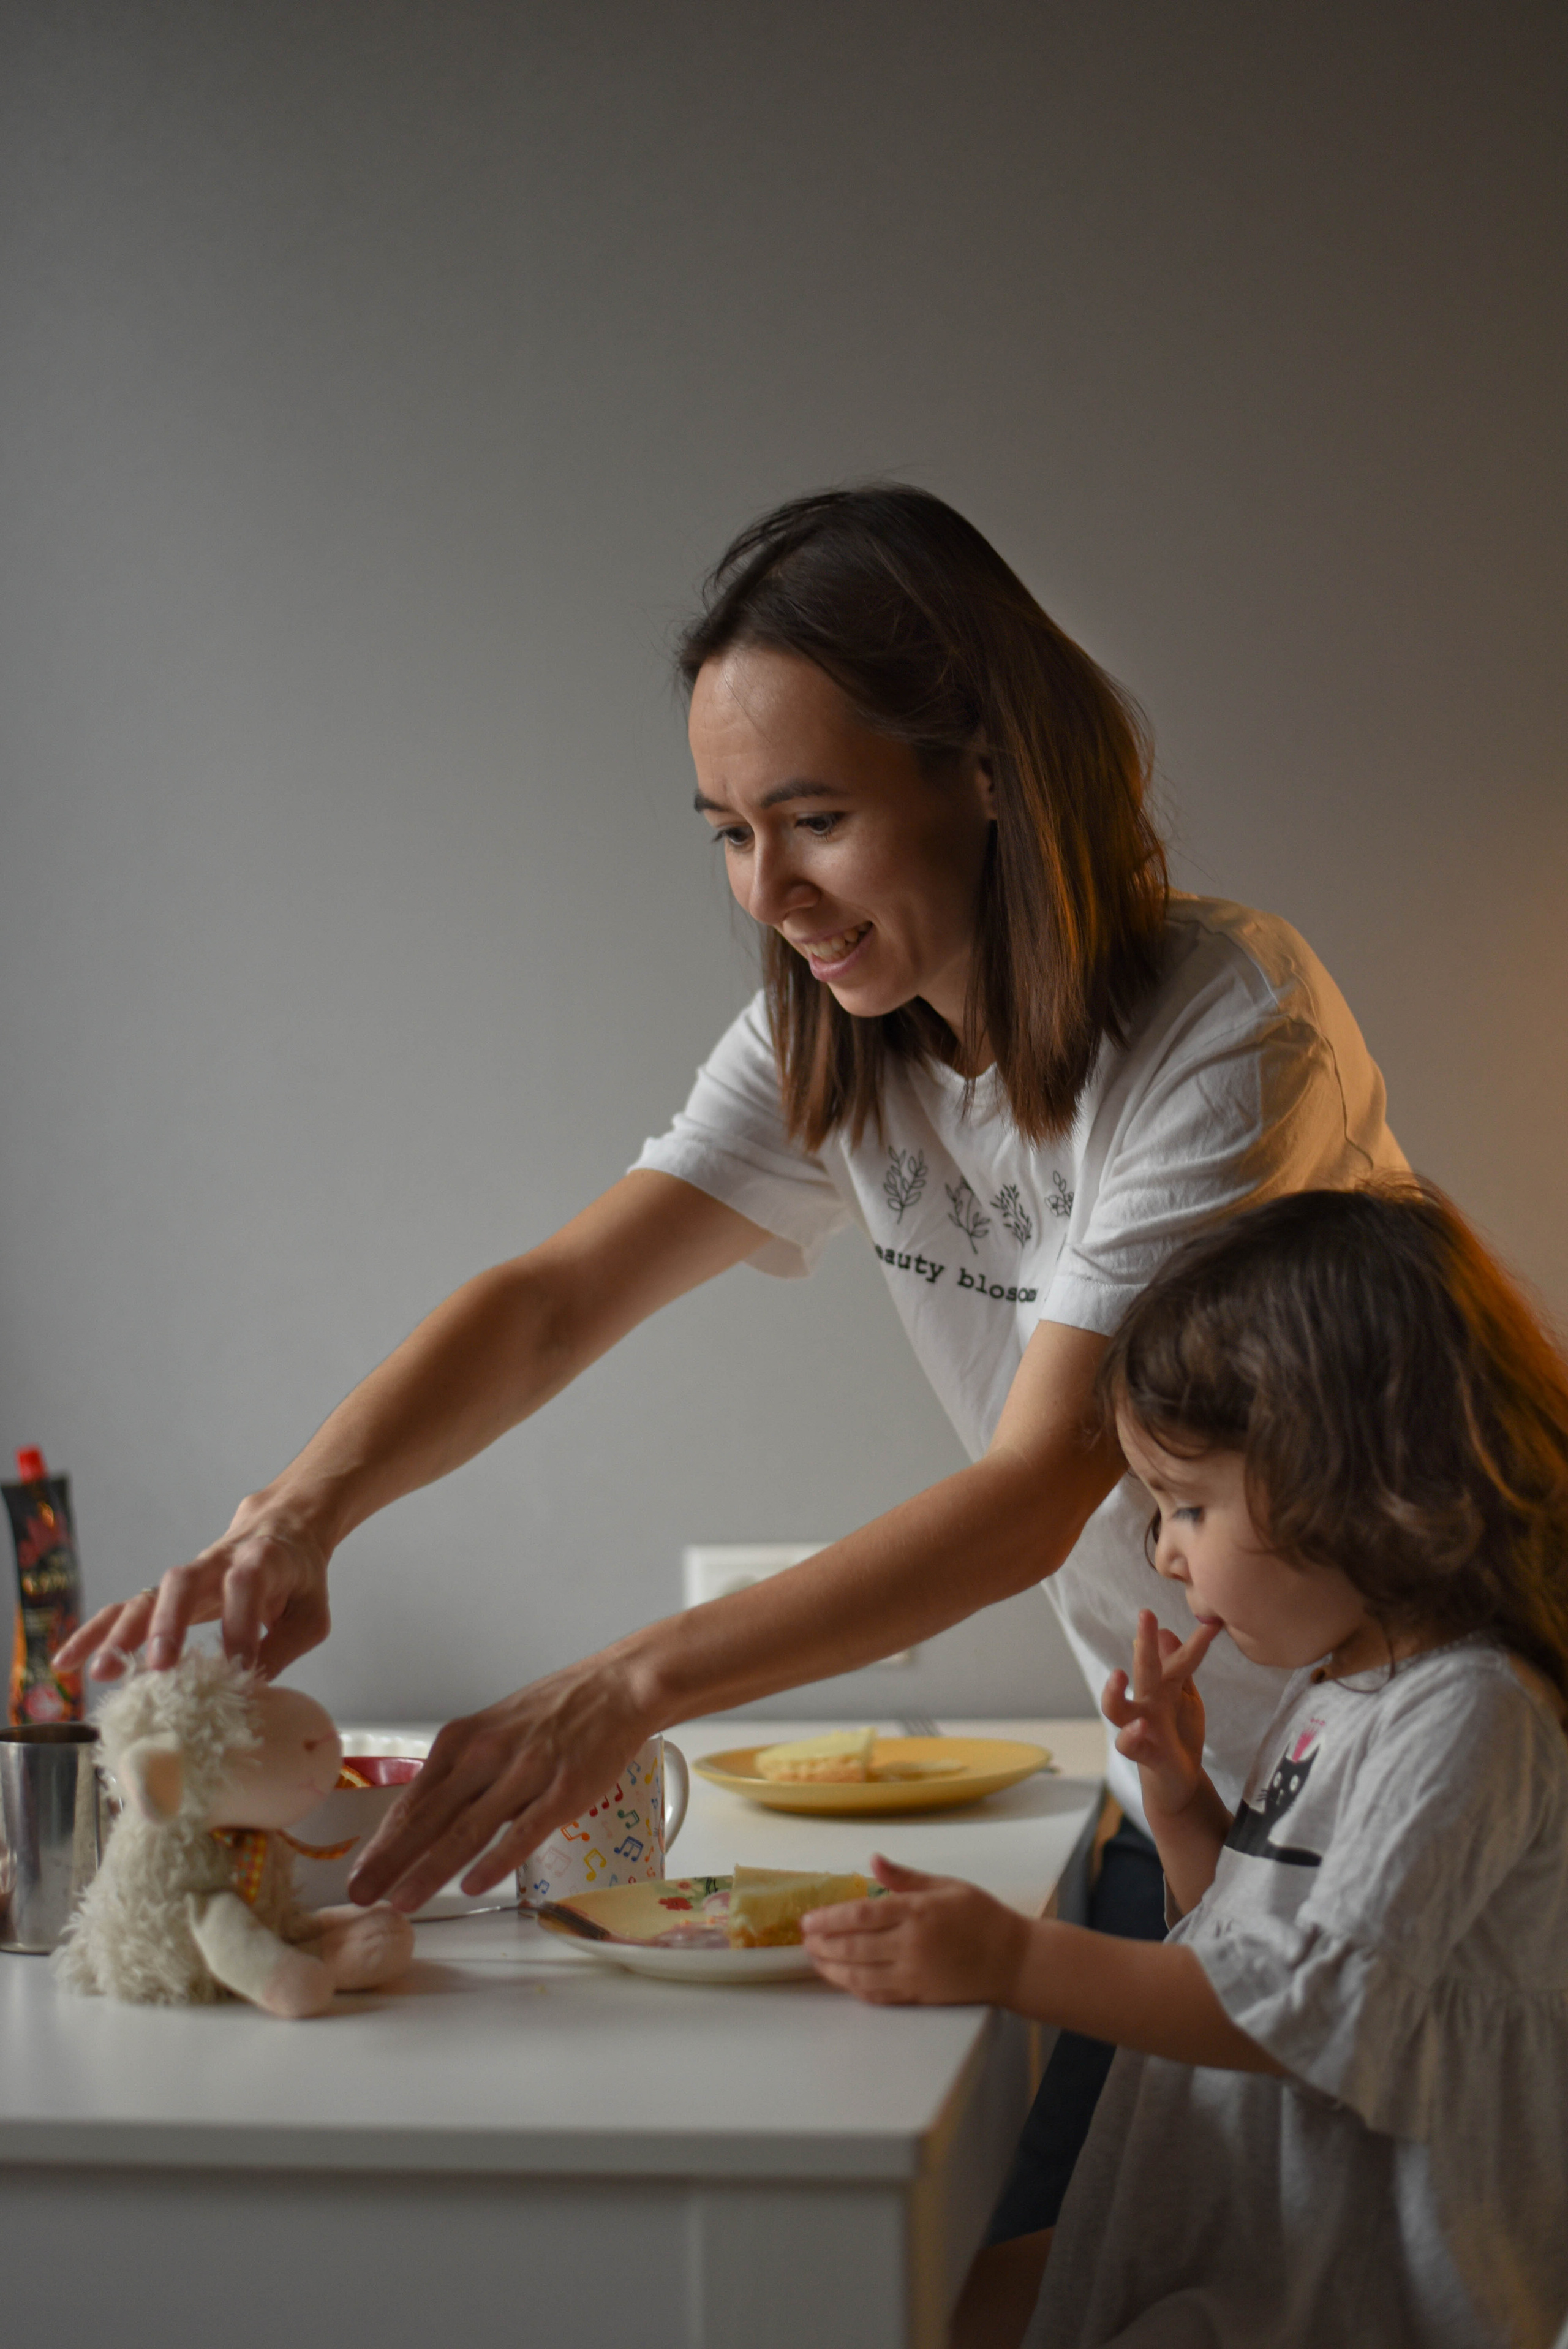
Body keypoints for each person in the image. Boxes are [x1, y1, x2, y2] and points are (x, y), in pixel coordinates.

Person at [55, 484, 1406, 2250]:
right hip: (1188, 1781)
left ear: (988, 772)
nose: (769, 893)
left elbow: (1034, 1490)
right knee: (1062, 2273)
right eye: (726, 834)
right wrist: (299, 1512)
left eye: (816, 820)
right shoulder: (836, 1030)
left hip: (1397, 1779)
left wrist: (623, 1687)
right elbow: (556, 1299)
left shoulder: (1227, 1026)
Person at [804, 1182, 1568, 2349]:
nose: (1163, 1553)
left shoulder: (1472, 1713)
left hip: (1335, 2293)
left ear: (1343, 1470)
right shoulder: (1343, 1683)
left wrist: (1013, 1956)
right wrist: (1178, 1794)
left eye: (1186, 1505)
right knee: (883, 2303)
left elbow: (1317, 2006)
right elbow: (1252, 1933)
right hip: (1246, 2240)